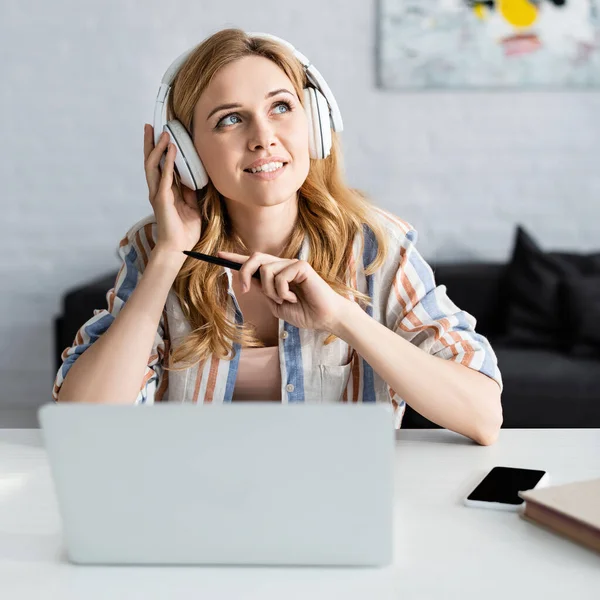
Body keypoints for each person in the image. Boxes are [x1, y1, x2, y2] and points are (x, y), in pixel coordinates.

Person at [53, 28, 503, 445]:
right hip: (192, 506)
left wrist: (344, 319)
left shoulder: (374, 245)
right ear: (186, 152)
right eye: (230, 119)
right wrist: (170, 254)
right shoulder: (156, 247)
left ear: (317, 124)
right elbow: (84, 424)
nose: (263, 137)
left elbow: (483, 416)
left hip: (334, 507)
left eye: (281, 107)